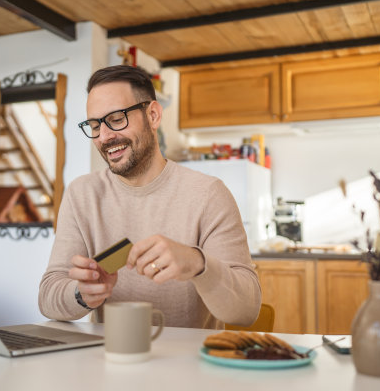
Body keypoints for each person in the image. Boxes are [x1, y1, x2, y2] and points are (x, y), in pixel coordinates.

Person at [38, 65, 261, 329]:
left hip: (190, 367)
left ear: (153, 115)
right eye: (95, 125)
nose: (105, 137)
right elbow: (47, 296)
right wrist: (81, 293)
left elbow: (247, 310)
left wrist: (197, 264)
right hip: (113, 360)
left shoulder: (208, 194)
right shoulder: (81, 194)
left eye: (117, 118)